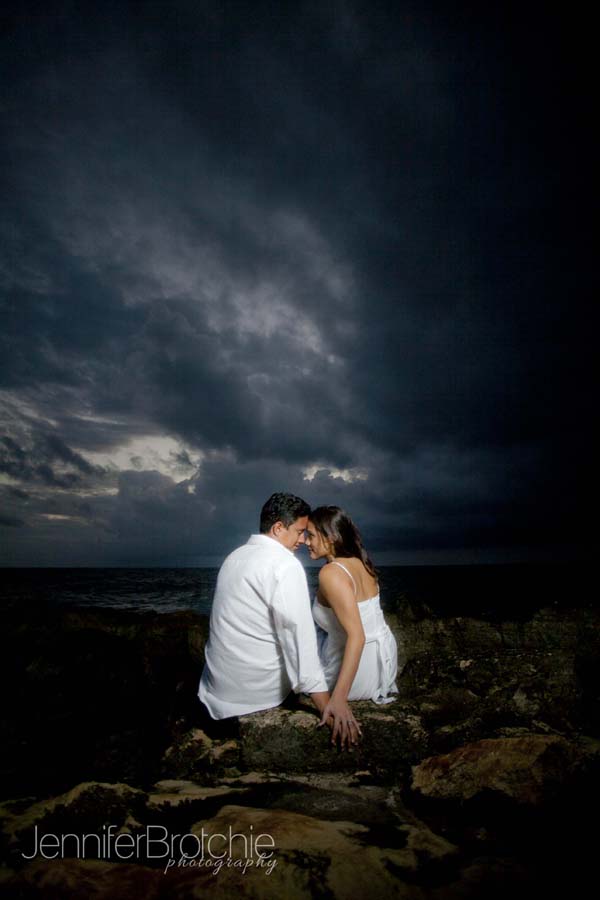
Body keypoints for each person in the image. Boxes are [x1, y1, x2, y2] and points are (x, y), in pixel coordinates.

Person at [198, 492, 361, 747]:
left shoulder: (235, 556)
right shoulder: (285, 565)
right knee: (324, 646)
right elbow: (298, 638)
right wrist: (326, 706)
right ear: (277, 528)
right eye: (299, 532)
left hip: (217, 685)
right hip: (254, 692)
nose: (303, 540)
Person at [306, 505, 398, 736]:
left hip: (359, 669)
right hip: (383, 664)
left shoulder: (331, 573)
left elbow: (357, 636)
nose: (307, 542)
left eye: (311, 535)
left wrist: (338, 698)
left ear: (331, 538)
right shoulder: (361, 562)